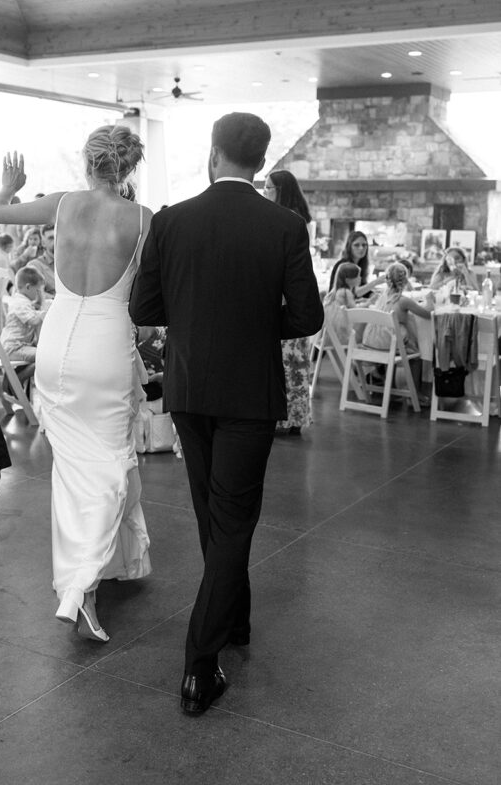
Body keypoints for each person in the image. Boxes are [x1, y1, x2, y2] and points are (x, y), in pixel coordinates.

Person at [129, 112, 323, 717]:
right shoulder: (285, 226)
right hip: (249, 392)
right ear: (260, 163)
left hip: (189, 389)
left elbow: (145, 305)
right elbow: (307, 316)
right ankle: (198, 665)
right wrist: (260, 323)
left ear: (213, 154)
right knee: (233, 518)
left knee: (214, 514)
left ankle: (233, 621)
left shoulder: (172, 220)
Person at [0, 125, 153, 643]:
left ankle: (103, 568)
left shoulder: (60, 204)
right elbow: (150, 299)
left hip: (58, 342)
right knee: (107, 468)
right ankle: (80, 586)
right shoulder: (143, 219)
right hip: (105, 342)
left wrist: (9, 184)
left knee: (74, 470)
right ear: (128, 169)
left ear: (88, 160)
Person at [263, 169, 314, 436]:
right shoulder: (293, 219)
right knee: (287, 362)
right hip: (286, 296)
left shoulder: (290, 221)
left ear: (280, 190)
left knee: (287, 362)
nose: (265, 192)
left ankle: (287, 416)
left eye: (269, 188)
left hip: (285, 298)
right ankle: (290, 417)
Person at [363, 261, 434, 352]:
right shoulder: (403, 300)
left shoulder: (382, 297)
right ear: (405, 280)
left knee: (408, 332)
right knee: (416, 343)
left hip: (369, 342)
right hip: (388, 345)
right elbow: (428, 315)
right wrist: (430, 299)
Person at [0, 266, 48, 363]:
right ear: (28, 287)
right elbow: (34, 321)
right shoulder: (21, 303)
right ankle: (17, 378)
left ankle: (12, 378)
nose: (39, 294)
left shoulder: (21, 300)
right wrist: (45, 313)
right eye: (38, 290)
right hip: (14, 349)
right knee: (45, 356)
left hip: (16, 346)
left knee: (44, 353)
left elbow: (32, 313)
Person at [328, 230, 385, 298]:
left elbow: (362, 288)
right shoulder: (344, 265)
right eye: (356, 245)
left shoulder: (360, 265)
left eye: (364, 245)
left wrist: (373, 295)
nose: (361, 248)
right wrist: (376, 282)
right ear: (349, 247)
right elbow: (355, 293)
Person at [322, 261, 361, 345]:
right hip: (341, 336)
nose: (360, 278)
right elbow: (355, 310)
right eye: (357, 276)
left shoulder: (334, 292)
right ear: (348, 280)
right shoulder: (346, 292)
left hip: (328, 335)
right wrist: (368, 303)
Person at [26, 224, 56, 297]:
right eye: (51, 238)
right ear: (43, 243)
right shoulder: (35, 266)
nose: (56, 241)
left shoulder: (72, 265)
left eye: (58, 237)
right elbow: (32, 293)